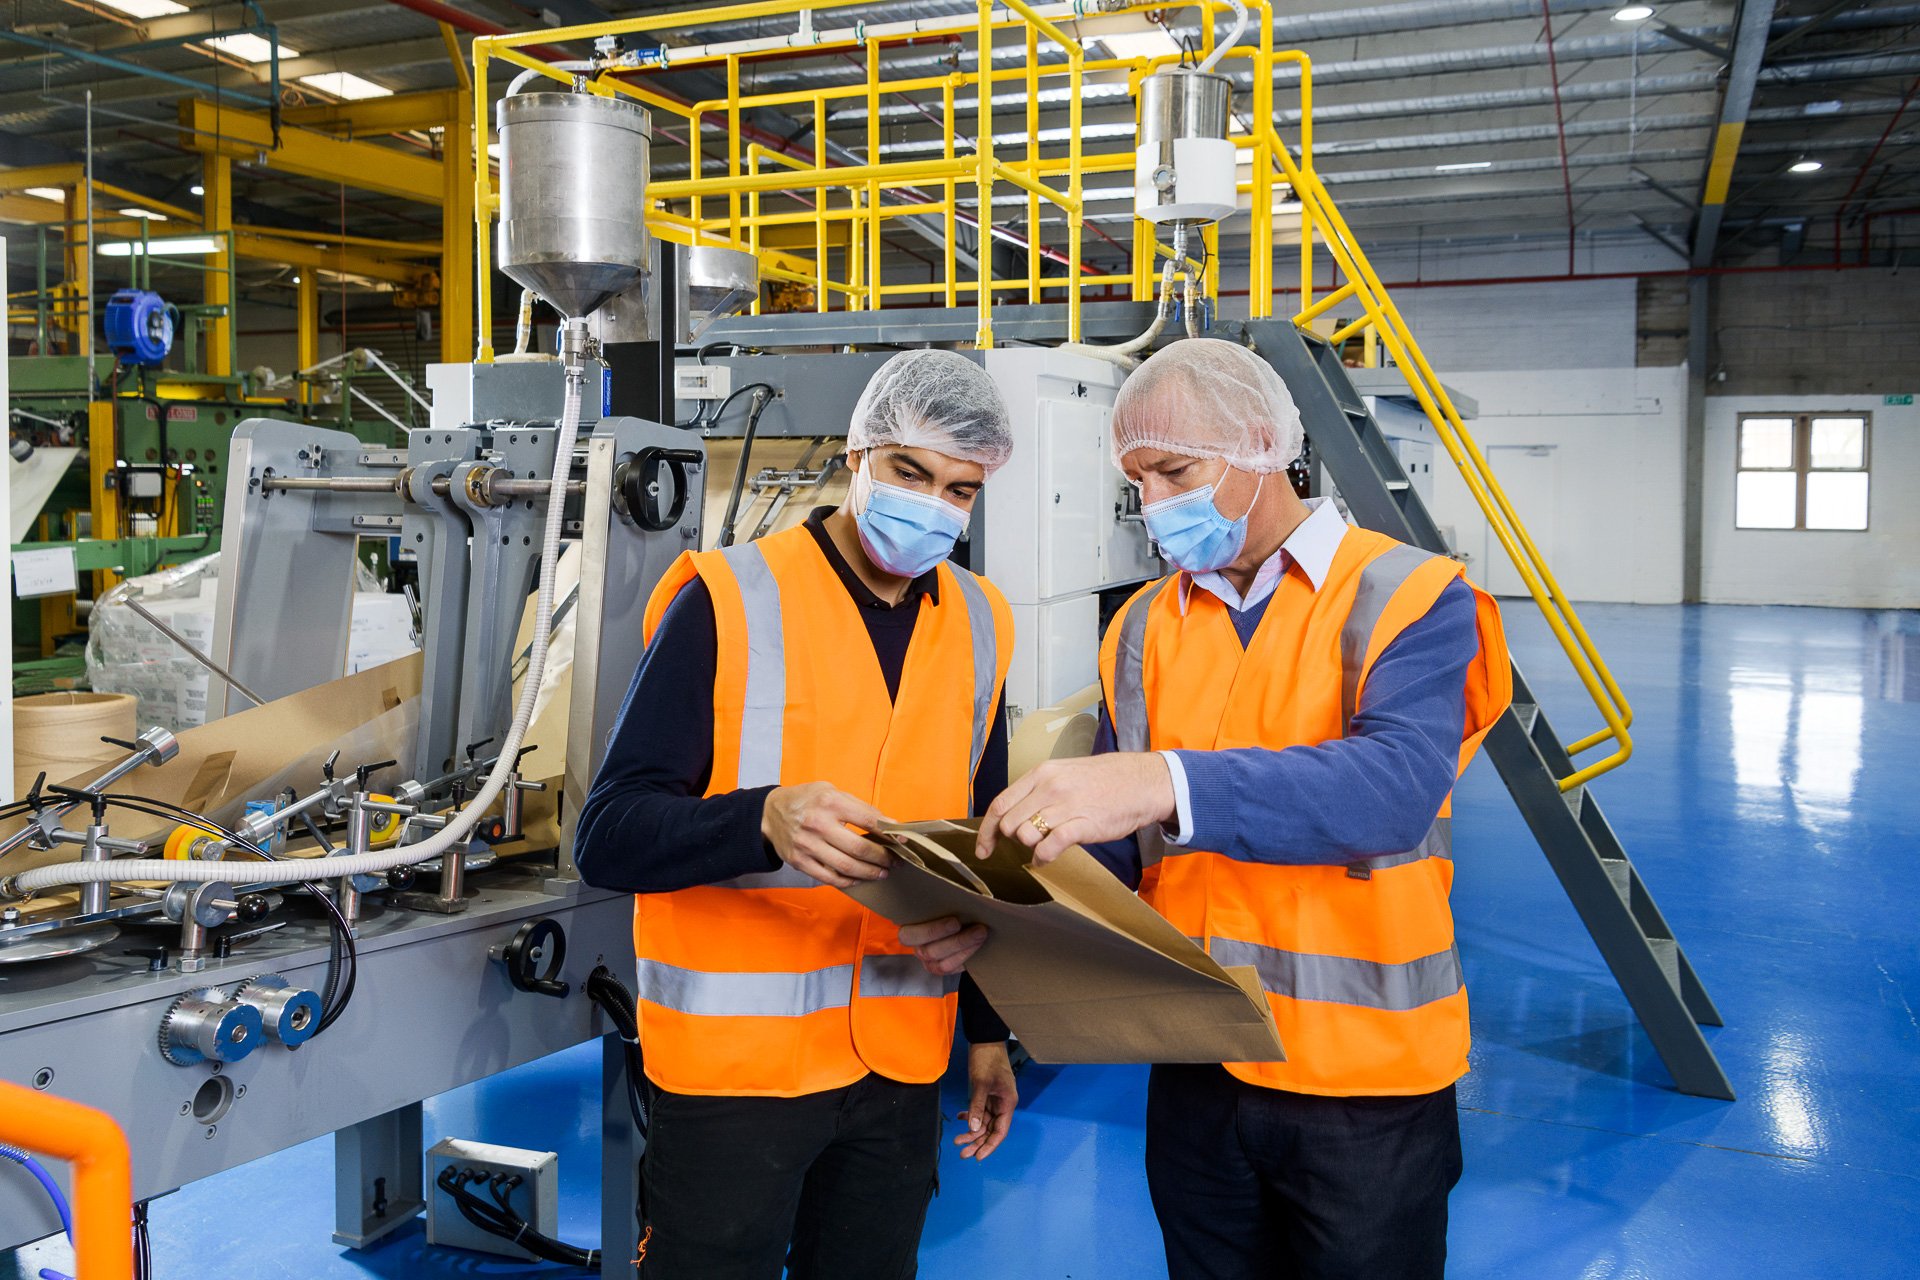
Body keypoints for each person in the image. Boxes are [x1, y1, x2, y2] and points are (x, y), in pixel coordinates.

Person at [905, 338, 1511, 1280]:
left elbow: (1393, 790)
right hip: (1196, 1057)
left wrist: (1164, 781)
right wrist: (997, 913)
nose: (1155, 507)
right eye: (1137, 482)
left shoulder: (1411, 596)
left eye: (1174, 472)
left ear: (1263, 445)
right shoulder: (1144, 624)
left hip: (1363, 1076)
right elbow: (1115, 850)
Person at [575, 348, 1022, 1280]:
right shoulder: (729, 599)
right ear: (855, 456)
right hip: (737, 1075)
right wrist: (761, 818)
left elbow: (982, 852)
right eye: (909, 471)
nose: (933, 504)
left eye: (961, 489)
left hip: (900, 1057)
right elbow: (608, 834)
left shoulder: (982, 619)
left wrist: (988, 1033)